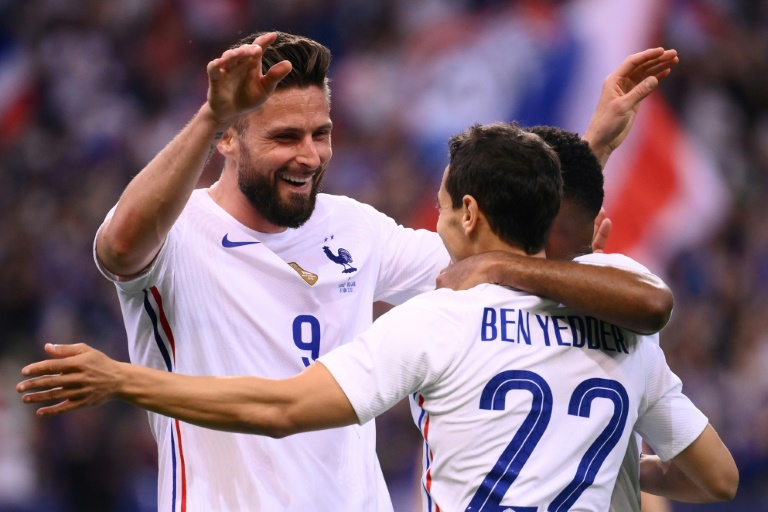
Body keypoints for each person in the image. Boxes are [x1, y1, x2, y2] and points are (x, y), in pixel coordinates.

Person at [53, 29, 679, 510]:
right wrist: (211, 112)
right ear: (227, 139)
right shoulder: (179, 231)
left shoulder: (353, 227)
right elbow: (118, 249)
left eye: (320, 133)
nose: (309, 155)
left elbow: (504, 253)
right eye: (285, 137)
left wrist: (591, 145)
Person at [443, 125, 738, 510]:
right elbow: (719, 479)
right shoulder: (622, 323)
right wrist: (608, 463)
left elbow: (653, 302)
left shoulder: (470, 303)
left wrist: (500, 263)